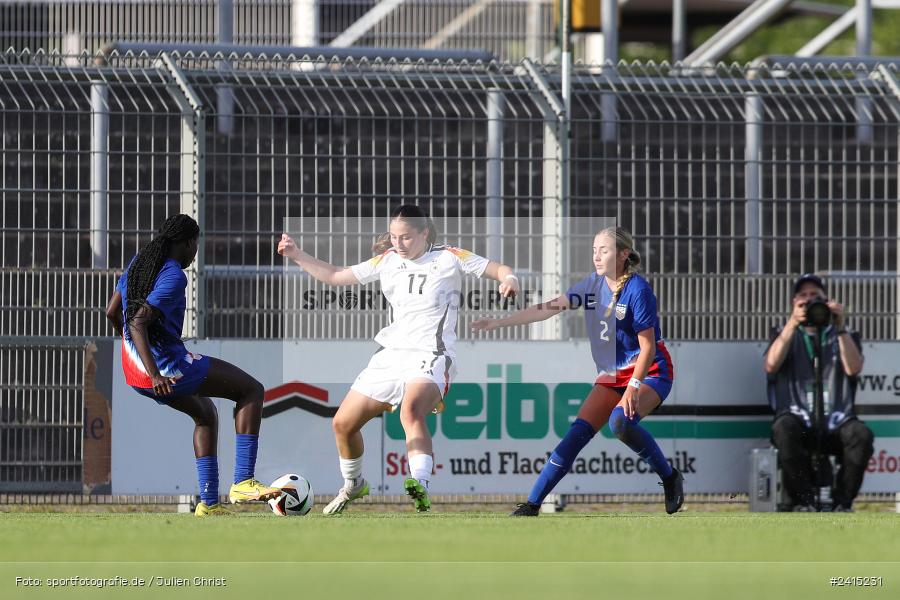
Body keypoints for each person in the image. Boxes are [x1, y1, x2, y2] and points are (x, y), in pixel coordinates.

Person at [278, 205, 518, 514]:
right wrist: (298, 255)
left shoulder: (449, 256)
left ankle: (420, 483)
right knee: (342, 424)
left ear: (424, 233)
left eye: (405, 237)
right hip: (390, 356)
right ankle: (353, 484)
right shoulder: (387, 260)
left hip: (432, 355)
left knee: (411, 410)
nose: (398, 243)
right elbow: (336, 276)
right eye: (393, 237)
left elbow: (498, 268)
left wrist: (509, 278)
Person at [471, 226, 683, 517]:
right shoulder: (591, 286)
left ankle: (669, 476)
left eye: (604, 250)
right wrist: (500, 322)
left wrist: (634, 386)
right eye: (594, 250)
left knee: (619, 423)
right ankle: (532, 505)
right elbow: (547, 308)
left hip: (651, 372)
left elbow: (647, 347)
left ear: (623, 255)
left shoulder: (638, 290)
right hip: (612, 376)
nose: (596, 256)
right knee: (576, 435)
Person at [105, 214, 280, 517]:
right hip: (164, 369)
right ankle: (243, 481)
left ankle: (209, 503)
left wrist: (136, 354)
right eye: (195, 245)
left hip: (132, 371)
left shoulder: (139, 262)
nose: (195, 252)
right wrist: (156, 371)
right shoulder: (174, 275)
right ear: (187, 243)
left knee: (205, 413)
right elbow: (138, 320)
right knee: (251, 390)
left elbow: (112, 312)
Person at [763, 273, 873, 512]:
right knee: (783, 429)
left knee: (861, 435)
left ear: (827, 301)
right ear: (794, 303)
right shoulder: (783, 333)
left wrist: (840, 327)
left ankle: (842, 503)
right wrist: (793, 323)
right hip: (798, 418)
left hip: (836, 419)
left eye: (816, 297)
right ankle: (805, 501)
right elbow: (771, 365)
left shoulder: (844, 334)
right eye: (803, 297)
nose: (810, 301)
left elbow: (853, 369)